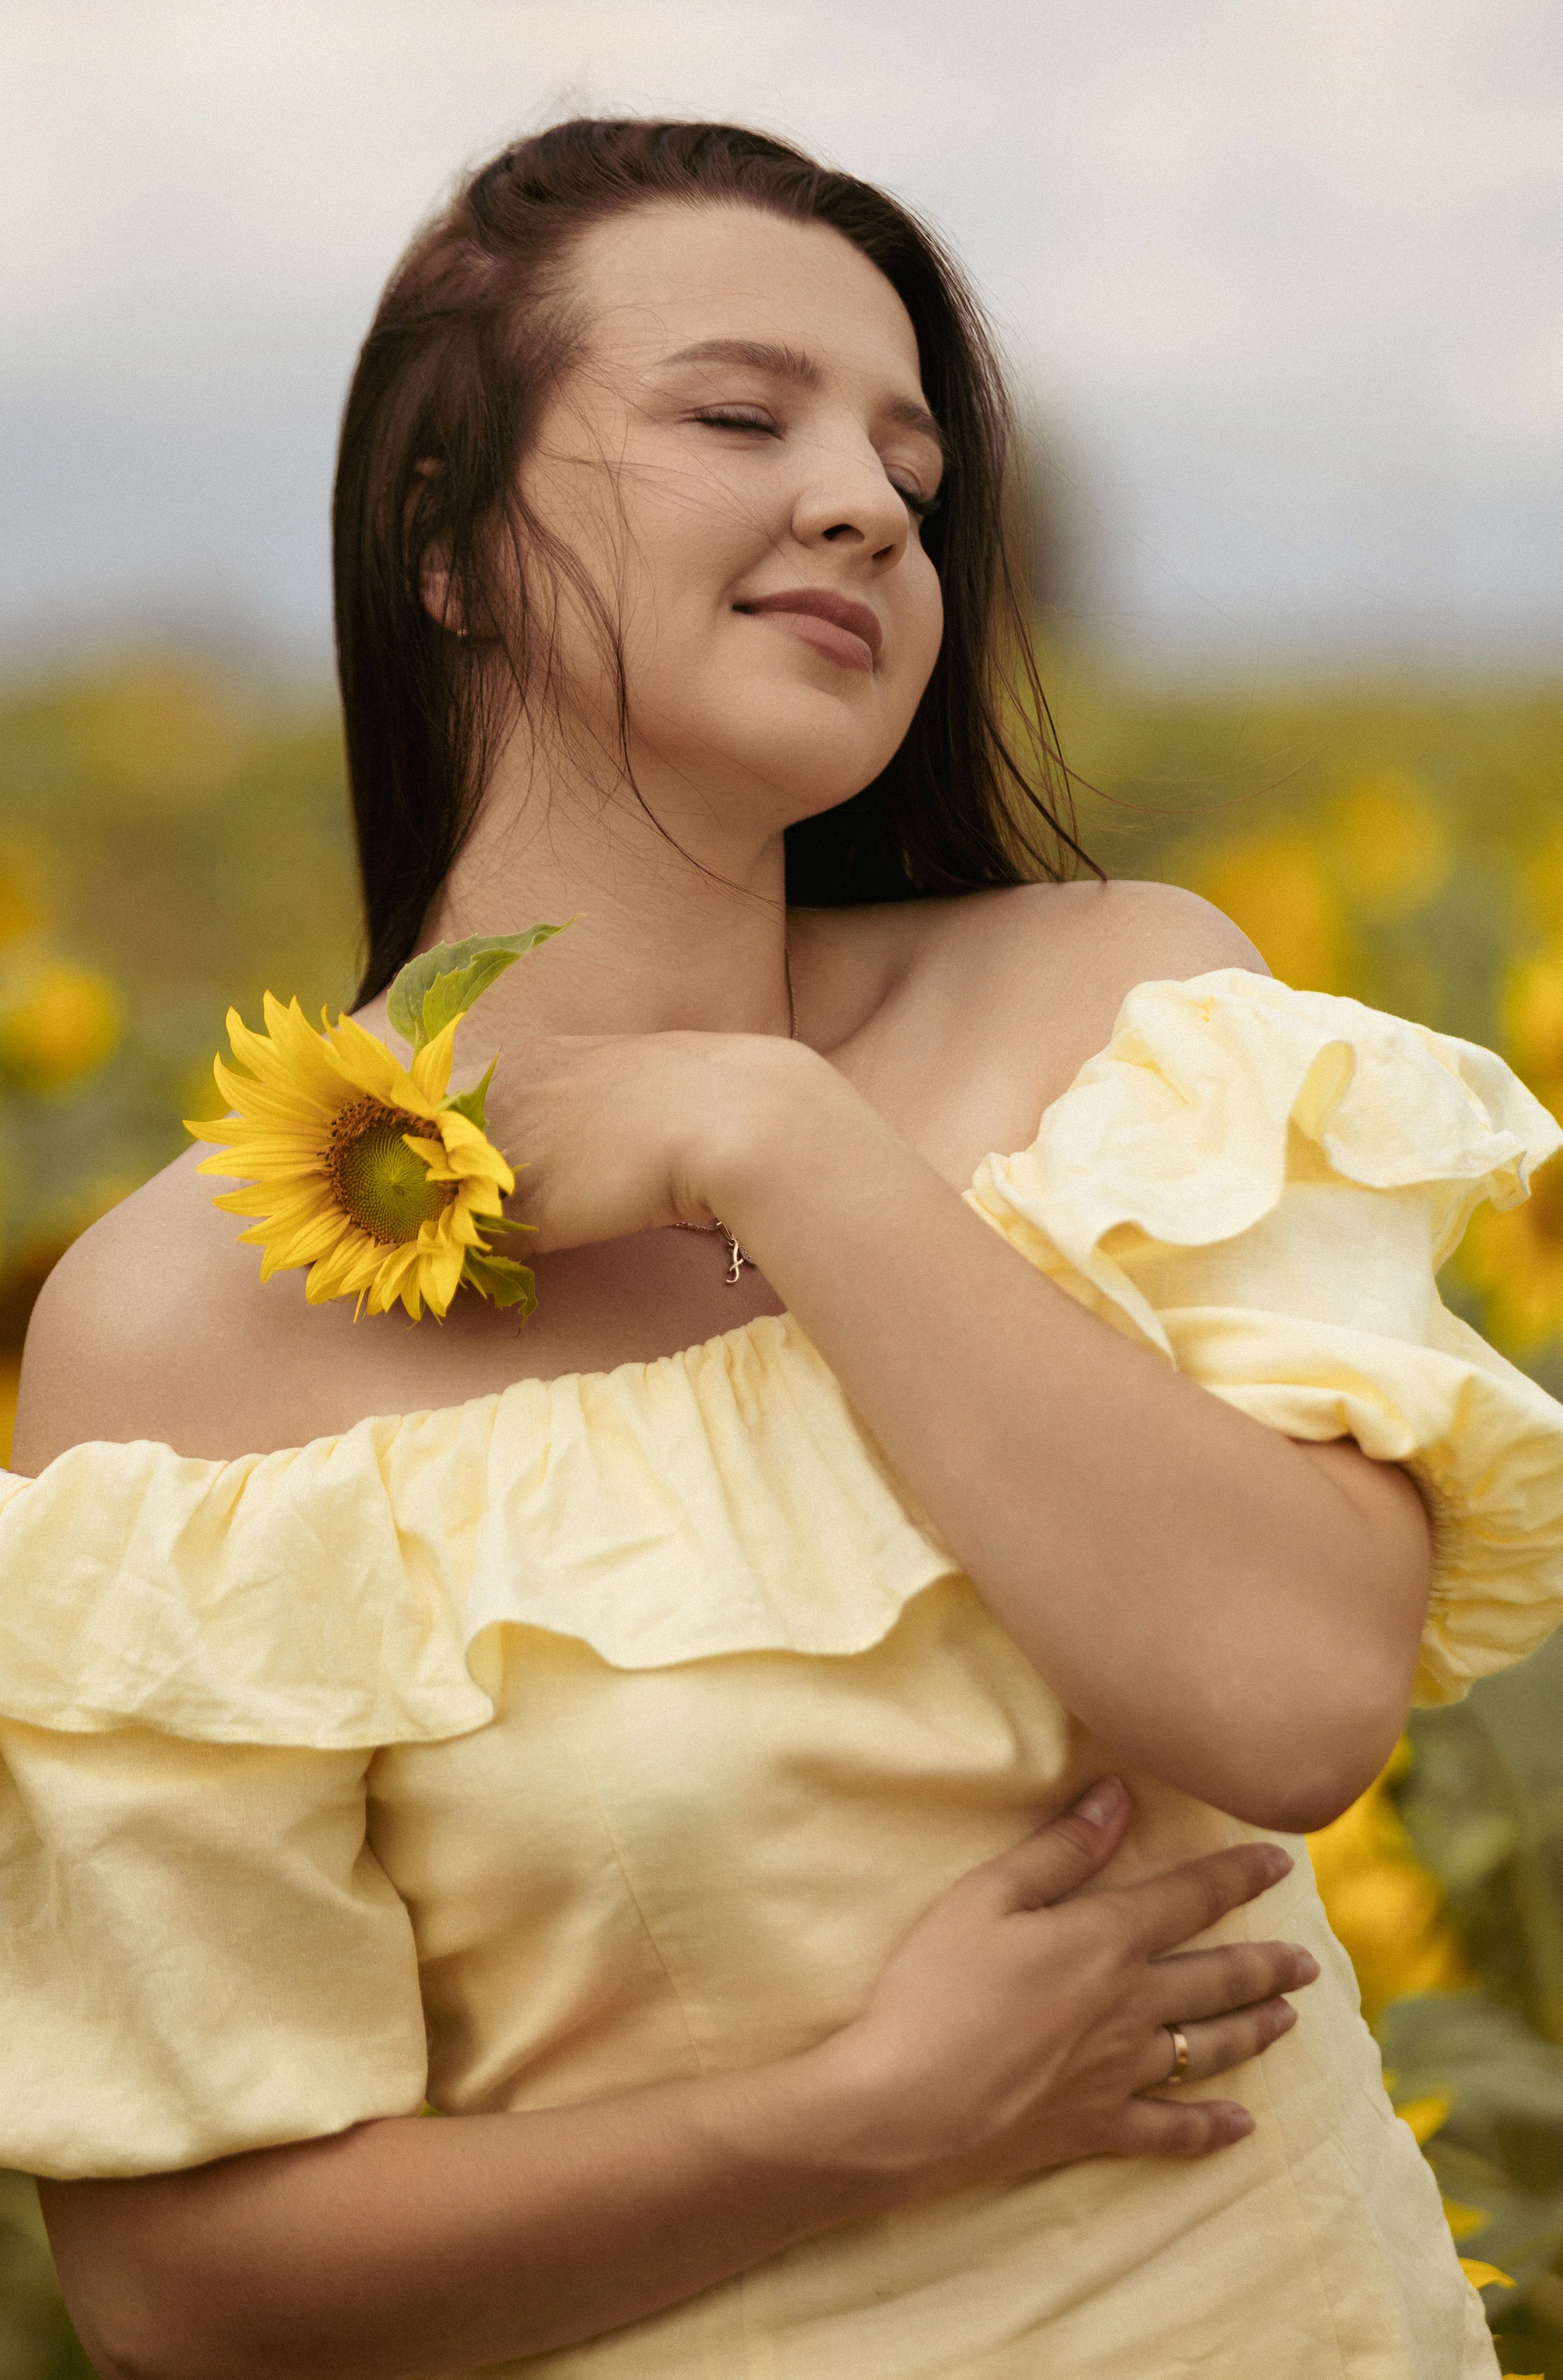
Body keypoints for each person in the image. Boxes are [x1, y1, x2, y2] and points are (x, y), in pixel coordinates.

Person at [5, 118, 1562, 2380]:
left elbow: (1295, 1691)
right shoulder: (180, 1326)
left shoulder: (1119, 1010)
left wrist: (778, 1141)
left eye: (912, 472)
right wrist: (850, 2122)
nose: (863, 499)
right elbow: (181, 2285)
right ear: (442, 545)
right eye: (743, 417)